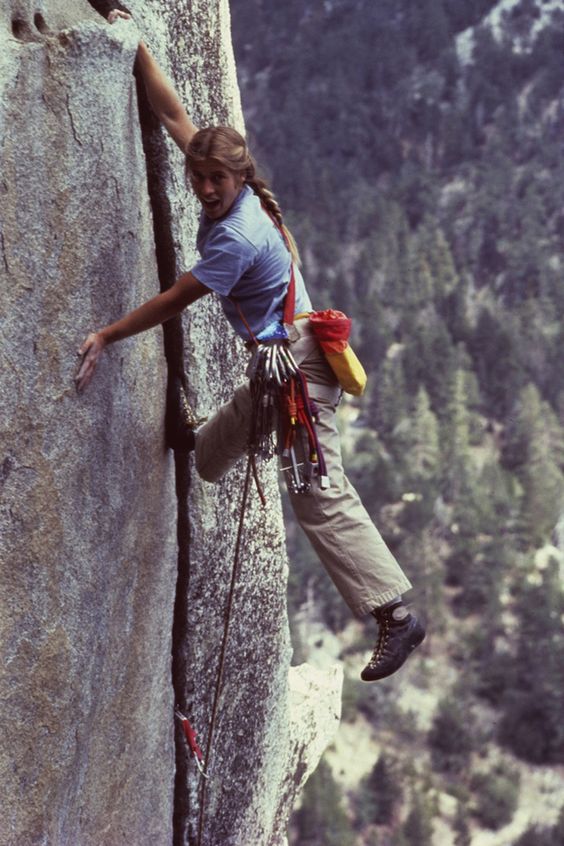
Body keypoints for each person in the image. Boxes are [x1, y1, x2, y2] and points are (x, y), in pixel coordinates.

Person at [76, 9, 425, 682]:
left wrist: (107, 334)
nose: (205, 189)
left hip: (299, 365)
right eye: (199, 177)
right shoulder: (231, 189)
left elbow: (176, 298)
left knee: (316, 488)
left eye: (217, 182)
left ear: (237, 180)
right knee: (220, 444)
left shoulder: (238, 236)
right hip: (285, 357)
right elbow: (173, 110)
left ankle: (394, 613)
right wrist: (128, 34)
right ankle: (195, 440)